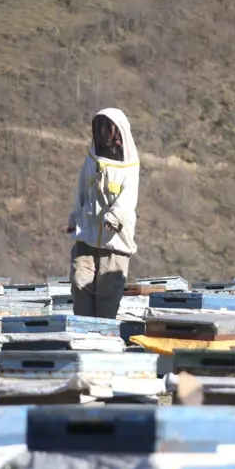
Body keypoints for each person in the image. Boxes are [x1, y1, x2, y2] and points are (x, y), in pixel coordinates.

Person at [67, 108, 140, 319]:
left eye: (107, 128)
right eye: (99, 128)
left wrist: (115, 217)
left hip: (115, 240)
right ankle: (84, 329)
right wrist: (74, 217)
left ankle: (104, 331)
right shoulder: (92, 160)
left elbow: (128, 198)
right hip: (87, 235)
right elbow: (81, 190)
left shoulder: (129, 167)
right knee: (80, 283)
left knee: (108, 291)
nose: (102, 133)